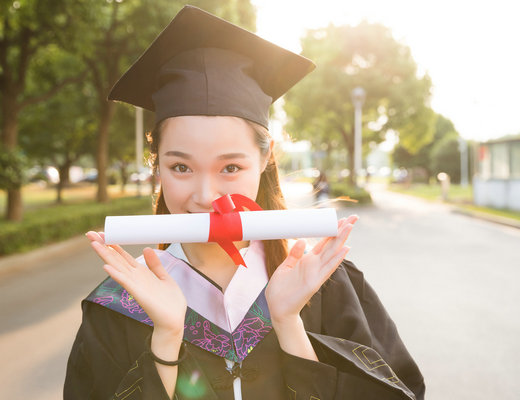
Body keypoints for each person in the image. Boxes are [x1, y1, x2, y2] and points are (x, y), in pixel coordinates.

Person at [64, 6, 425, 400]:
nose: (205, 197)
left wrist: (288, 323)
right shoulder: (120, 305)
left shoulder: (324, 285)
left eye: (231, 167)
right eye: (181, 167)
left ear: (265, 160)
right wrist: (166, 340)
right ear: (157, 165)